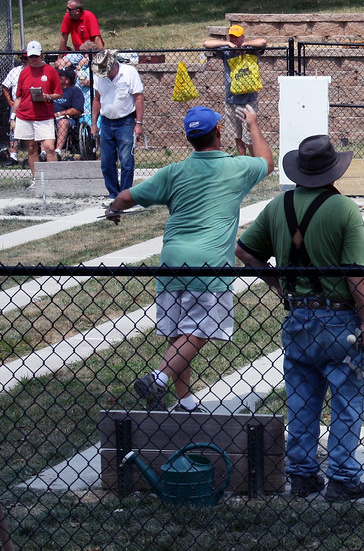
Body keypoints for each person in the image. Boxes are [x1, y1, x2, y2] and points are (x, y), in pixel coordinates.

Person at [235, 135, 364, 502]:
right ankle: (342, 477)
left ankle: (301, 474)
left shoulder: (278, 206)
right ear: (333, 171)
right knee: (346, 402)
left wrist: (277, 283)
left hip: (298, 318)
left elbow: (244, 250)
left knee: (301, 400)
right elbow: (355, 273)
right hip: (340, 320)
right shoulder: (344, 210)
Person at [105, 105, 273, 412]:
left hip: (171, 262)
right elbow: (267, 161)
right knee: (199, 332)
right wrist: (252, 124)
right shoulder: (237, 167)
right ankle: (158, 377)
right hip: (210, 265)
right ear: (218, 132)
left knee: (180, 335)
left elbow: (127, 196)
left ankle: (185, 402)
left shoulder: (173, 172)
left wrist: (114, 209)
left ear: (188, 139)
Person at [203, 25, 267, 156]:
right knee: (237, 136)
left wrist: (244, 45)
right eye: (231, 37)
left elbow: (263, 42)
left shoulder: (251, 50)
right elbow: (207, 44)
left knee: (249, 136)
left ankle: (255, 161)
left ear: (243, 37)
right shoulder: (226, 51)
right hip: (231, 99)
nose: (233, 39)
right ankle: (242, 160)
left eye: (236, 37)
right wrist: (227, 44)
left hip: (249, 100)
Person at [92, 49, 144, 200]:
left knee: (126, 160)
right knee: (106, 162)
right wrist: (94, 123)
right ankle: (113, 194)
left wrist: (139, 123)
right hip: (106, 122)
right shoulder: (99, 77)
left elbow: (138, 98)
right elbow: (97, 99)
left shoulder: (129, 72)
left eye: (107, 71)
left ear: (114, 64)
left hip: (125, 121)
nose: (106, 75)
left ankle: (125, 195)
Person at [13, 41, 61, 190]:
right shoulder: (24, 72)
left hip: (44, 116)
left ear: (42, 55)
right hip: (25, 115)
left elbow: (59, 93)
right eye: (31, 56)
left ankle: (53, 181)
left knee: (49, 147)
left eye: (36, 56)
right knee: (31, 148)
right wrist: (13, 116)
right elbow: (19, 96)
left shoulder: (50, 71)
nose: (33, 59)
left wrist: (48, 96)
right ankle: (37, 180)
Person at [53, 66, 85, 160]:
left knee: (63, 122)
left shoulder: (75, 91)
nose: (57, 78)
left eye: (60, 76)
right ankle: (43, 152)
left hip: (67, 119)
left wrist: (60, 114)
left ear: (67, 80)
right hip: (50, 118)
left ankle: (58, 151)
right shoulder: (53, 90)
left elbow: (77, 110)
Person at [2, 51, 27, 167]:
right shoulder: (15, 71)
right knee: (14, 130)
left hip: (34, 106)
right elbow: (5, 86)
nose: (23, 60)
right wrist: (10, 101)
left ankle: (39, 155)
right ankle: (13, 156)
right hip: (18, 106)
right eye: (22, 58)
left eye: (25, 58)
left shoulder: (39, 70)